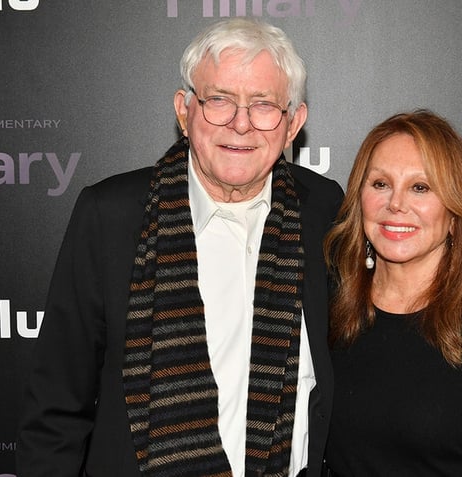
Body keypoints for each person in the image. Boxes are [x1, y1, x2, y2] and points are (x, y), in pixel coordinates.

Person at [17, 18, 343, 477]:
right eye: (219, 101)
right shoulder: (111, 215)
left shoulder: (324, 209)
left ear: (294, 124)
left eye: (264, 105)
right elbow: (56, 407)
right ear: (184, 110)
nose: (240, 124)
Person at [322, 110, 462, 476]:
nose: (396, 204)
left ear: (454, 211)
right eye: (380, 183)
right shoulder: (331, 304)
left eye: (421, 187)